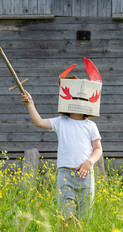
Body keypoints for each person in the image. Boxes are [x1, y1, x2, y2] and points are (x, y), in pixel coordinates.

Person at [20, 89, 103, 222]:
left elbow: (98, 149)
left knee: (84, 218)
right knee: (66, 217)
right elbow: (39, 122)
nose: (77, 101)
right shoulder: (60, 122)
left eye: (81, 99)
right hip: (65, 175)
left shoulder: (91, 126)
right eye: (74, 98)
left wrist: (89, 162)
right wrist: (30, 103)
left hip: (86, 175)